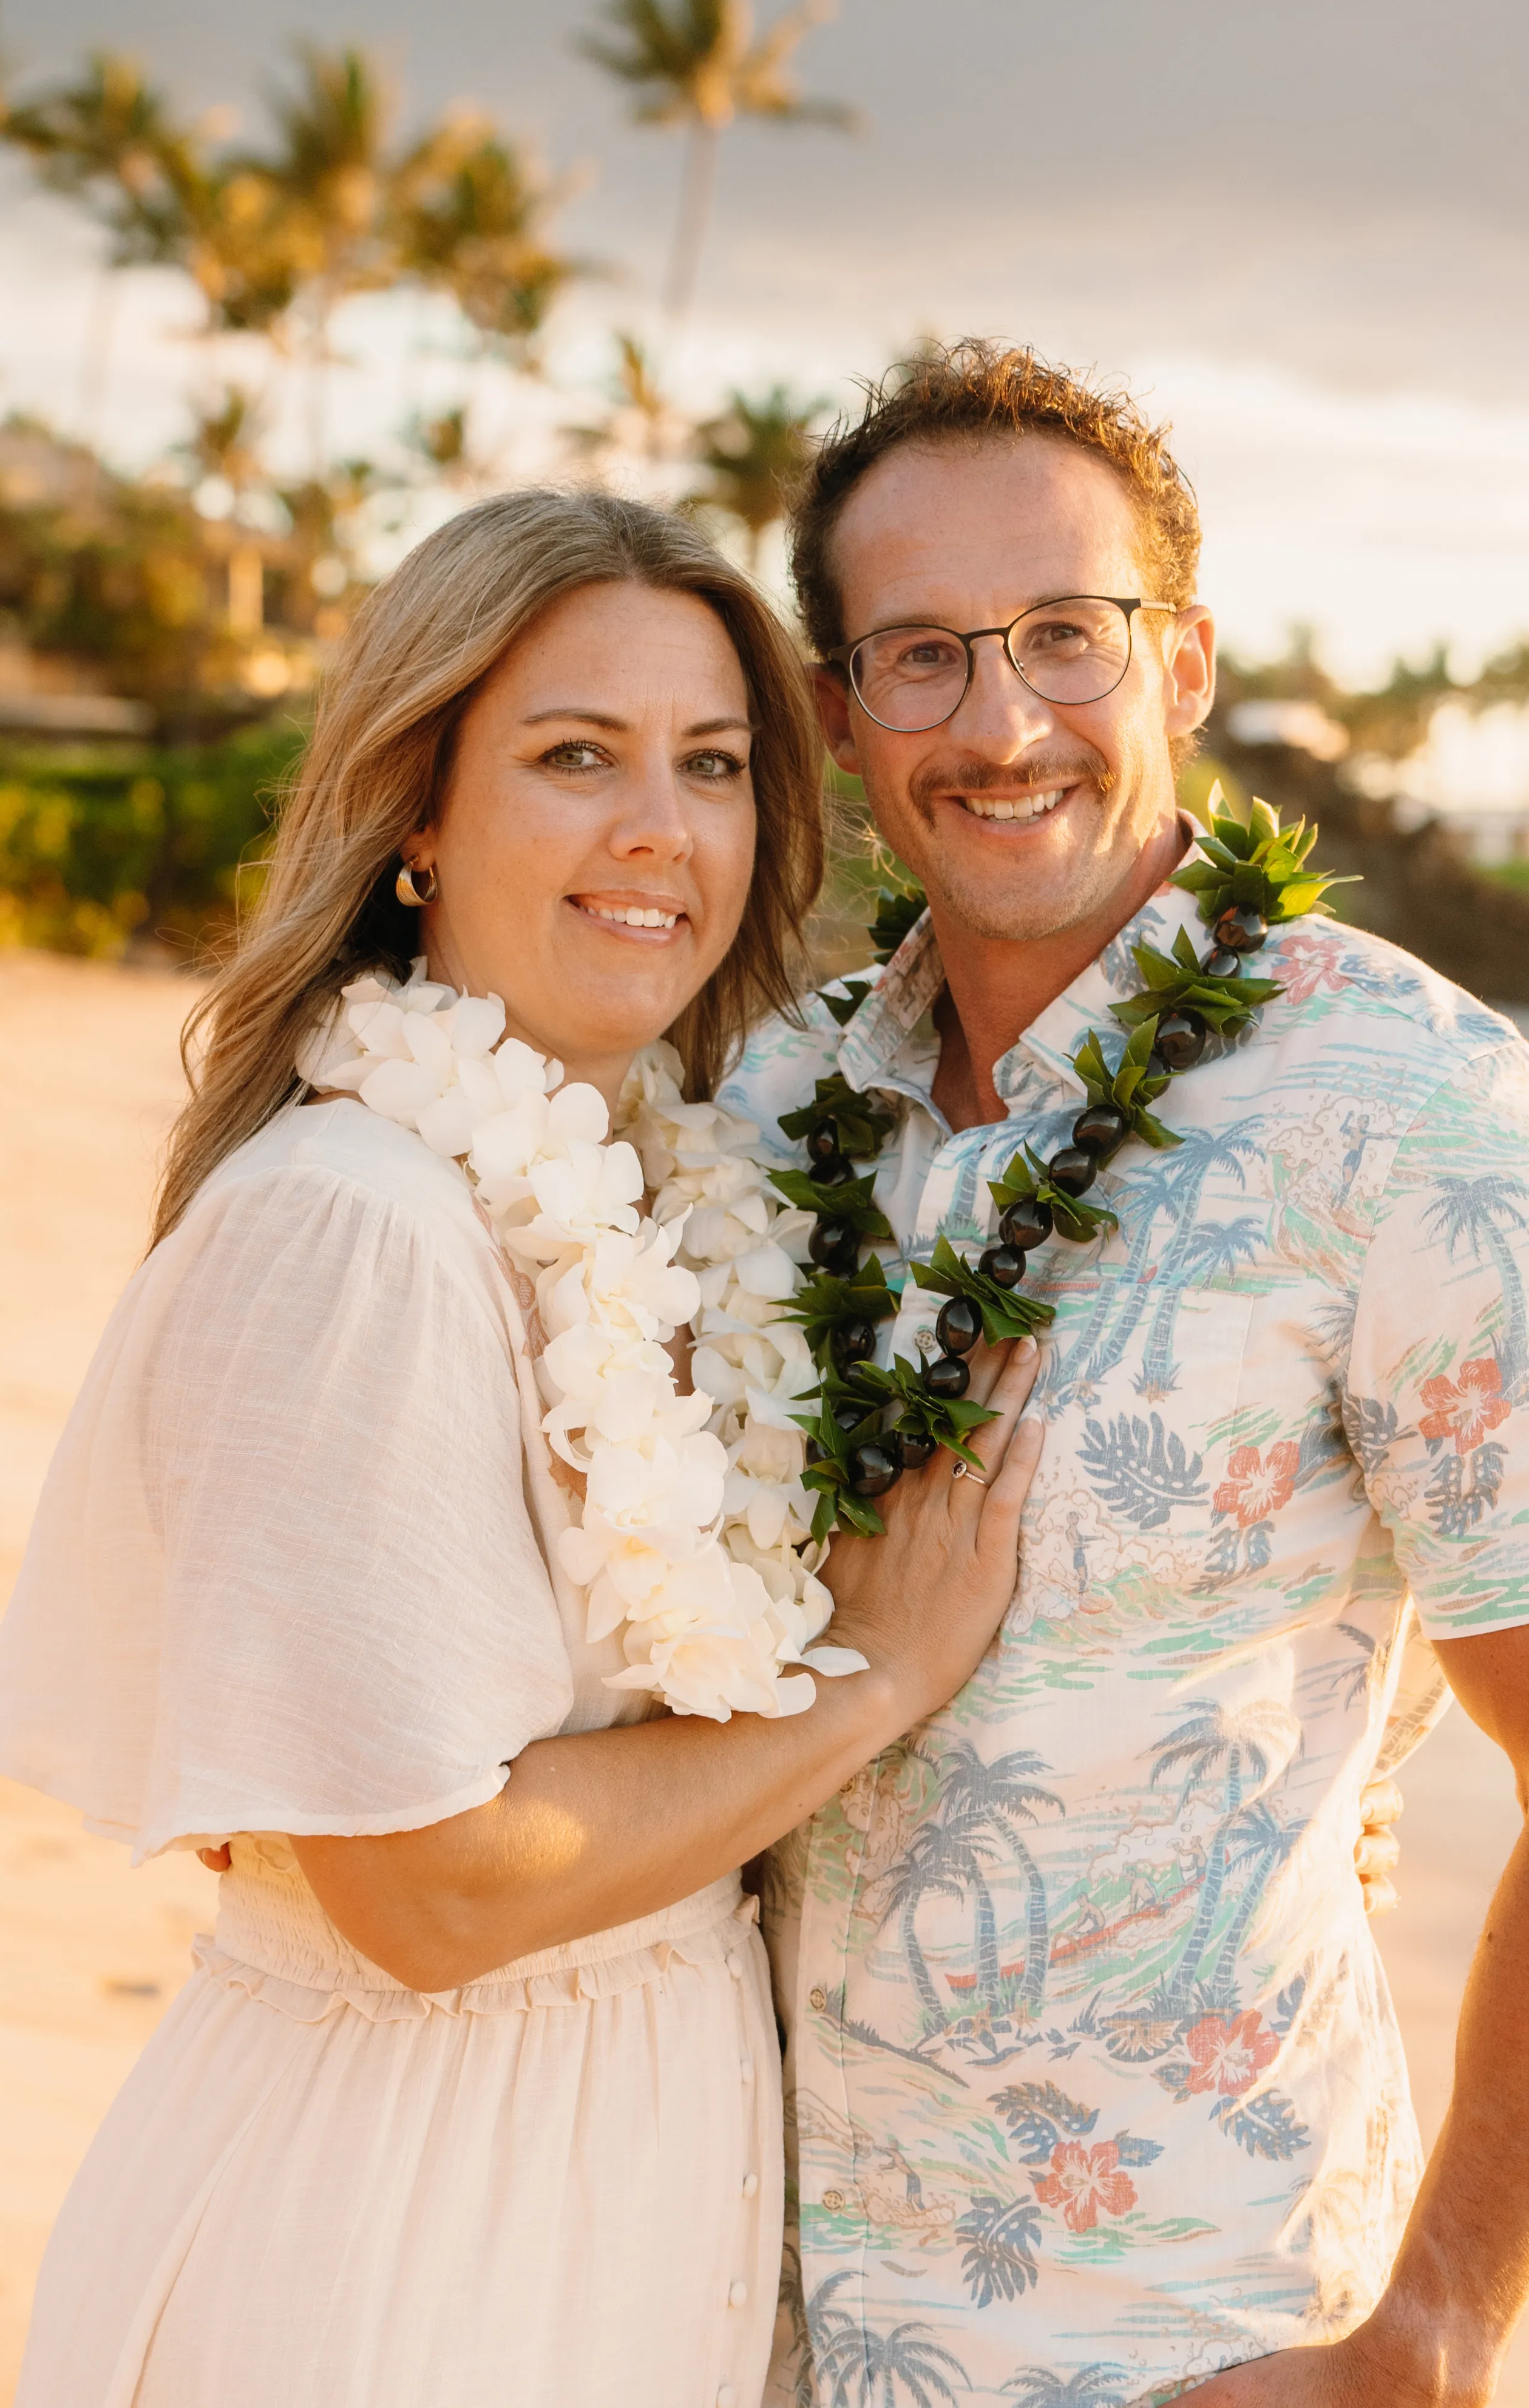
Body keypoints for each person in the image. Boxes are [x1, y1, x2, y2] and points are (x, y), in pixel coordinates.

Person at [0, 488, 1045, 2408]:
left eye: (713, 766)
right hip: (399, 2246)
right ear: (418, 813)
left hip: (605, 2224)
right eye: (575, 756)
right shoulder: (360, 1222)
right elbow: (428, 1887)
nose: (661, 830)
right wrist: (876, 1675)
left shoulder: (655, 1202)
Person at [720, 342, 1529, 2407]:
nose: (1002, 724)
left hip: (1184, 2328)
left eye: (1065, 636)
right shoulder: (774, 1101)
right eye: (920, 654)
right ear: (838, 714)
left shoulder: (1413, 1111)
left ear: (1181, 667)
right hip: (736, 2304)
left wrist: (1440, 2322)